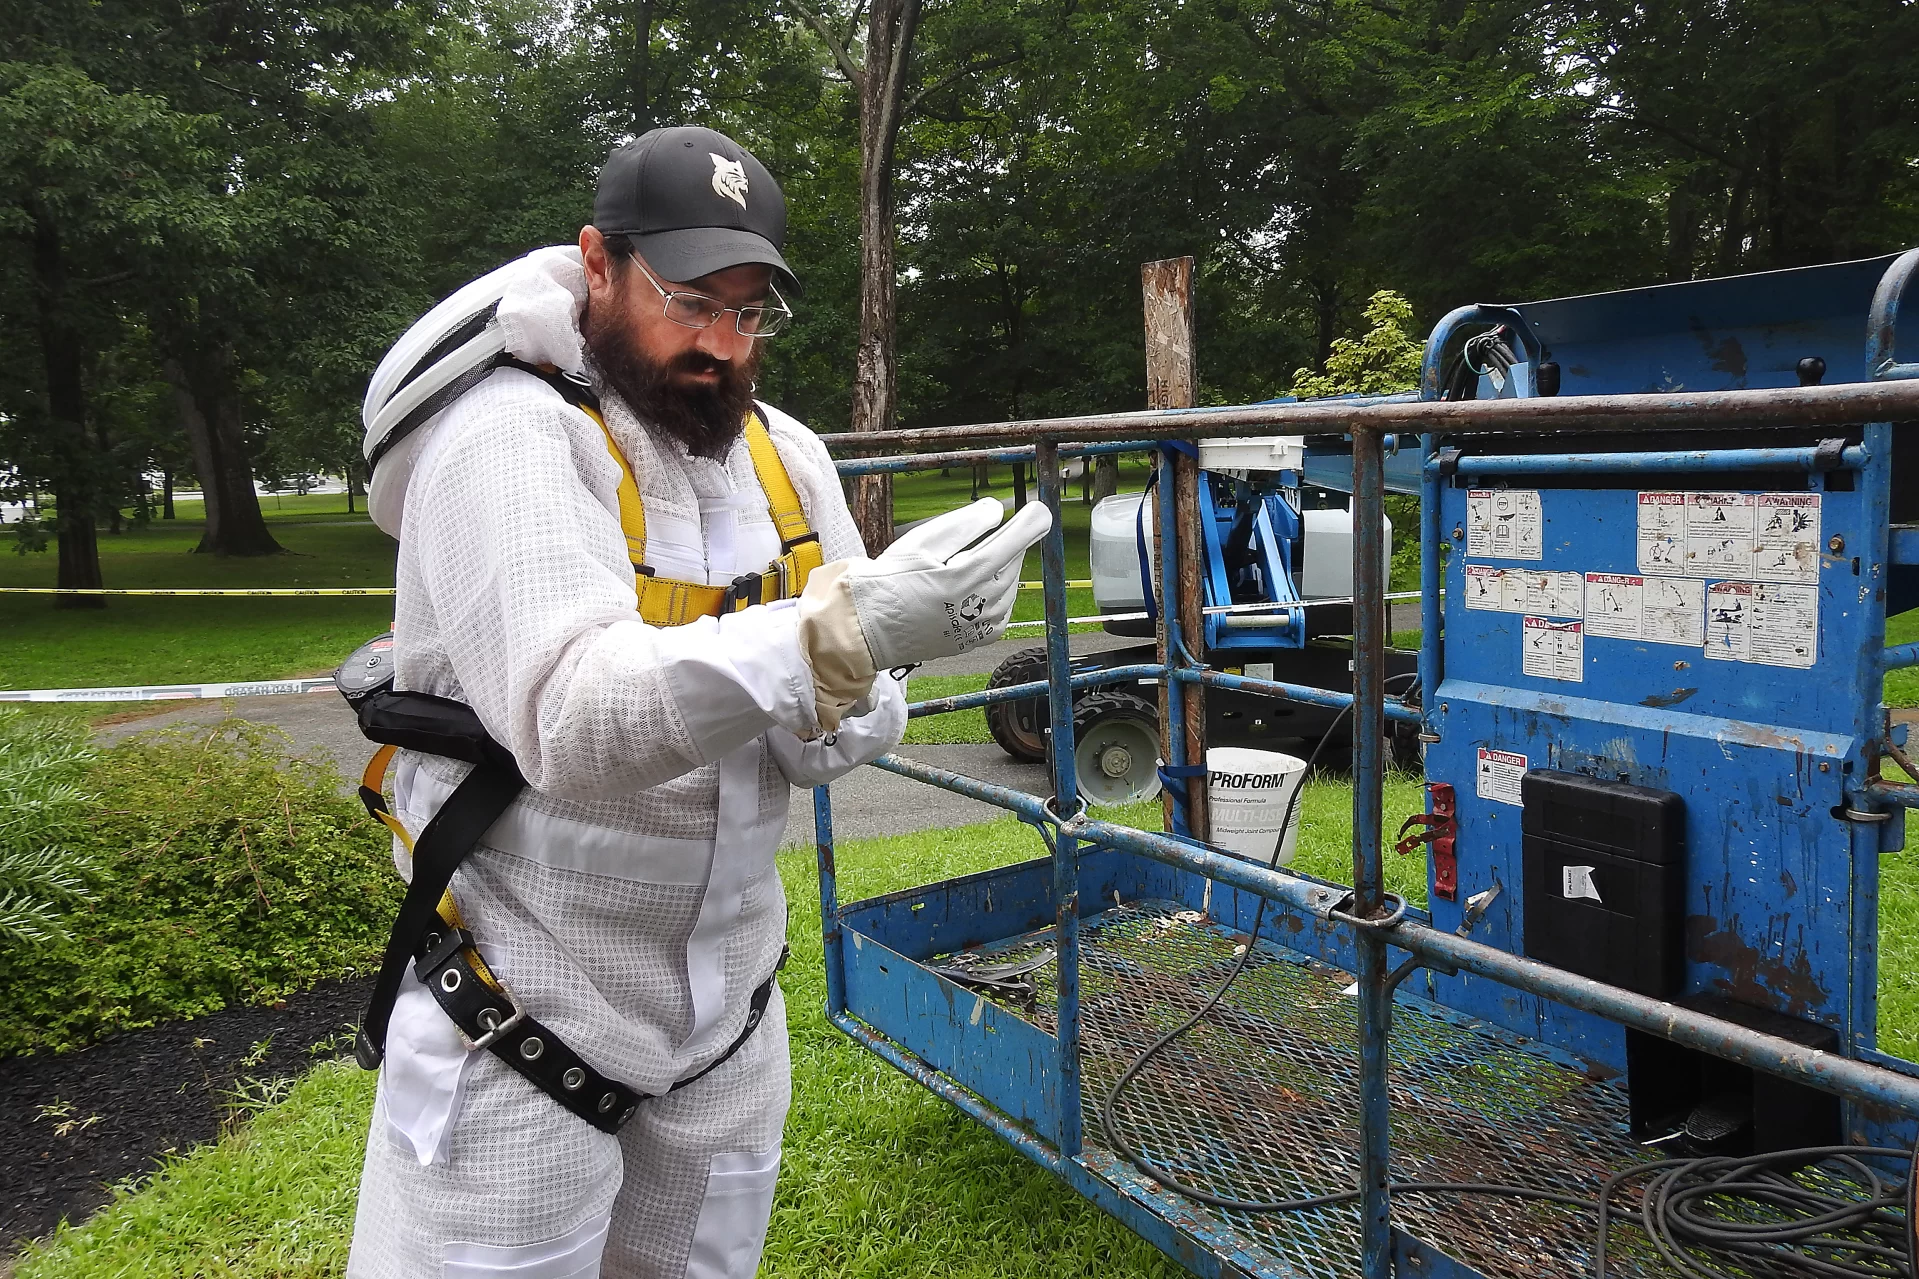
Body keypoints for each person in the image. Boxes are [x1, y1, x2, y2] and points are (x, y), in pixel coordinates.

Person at [346, 125, 1049, 1279]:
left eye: (749, 312)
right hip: (518, 1016)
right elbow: (567, 719)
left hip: (728, 1032)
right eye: (687, 300)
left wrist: (886, 653)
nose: (719, 345)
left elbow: (824, 753)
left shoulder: (788, 461)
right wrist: (835, 635)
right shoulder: (508, 438)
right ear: (597, 263)